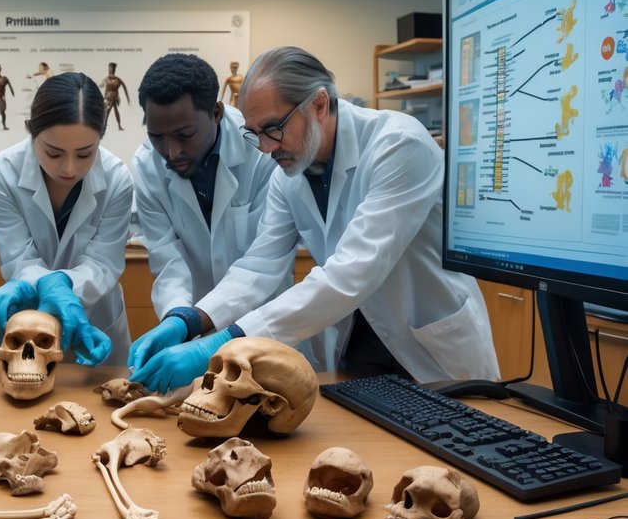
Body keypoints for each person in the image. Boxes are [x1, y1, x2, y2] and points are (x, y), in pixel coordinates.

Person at [130, 45, 500, 398]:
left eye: (273, 129)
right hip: (359, 349)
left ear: (319, 104)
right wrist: (190, 321)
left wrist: (224, 341)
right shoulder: (287, 174)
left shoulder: (398, 146)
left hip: (430, 350)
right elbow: (259, 265)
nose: (266, 147)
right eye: (254, 133)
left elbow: (351, 272)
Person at [127, 53, 282, 377]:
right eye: (157, 136)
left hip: (263, 328)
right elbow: (168, 258)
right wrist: (178, 318)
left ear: (215, 112)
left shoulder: (261, 151)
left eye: (185, 135)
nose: (171, 152)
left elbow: (264, 260)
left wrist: (196, 321)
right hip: (193, 330)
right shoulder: (146, 166)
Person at [0, 72, 129, 365]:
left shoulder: (117, 178)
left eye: (85, 154)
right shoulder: (2, 173)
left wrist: (61, 283)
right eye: (53, 152)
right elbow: (18, 258)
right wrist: (46, 284)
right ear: (31, 132)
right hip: (31, 328)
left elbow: (104, 262)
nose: (69, 169)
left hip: (95, 321)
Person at [99, 62, 130, 130]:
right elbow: (101, 85)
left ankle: (115, 126)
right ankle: (104, 127)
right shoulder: (106, 79)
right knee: (107, 112)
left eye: (112, 68)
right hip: (108, 98)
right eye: (110, 68)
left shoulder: (117, 80)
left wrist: (128, 100)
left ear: (114, 69)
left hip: (114, 98)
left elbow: (125, 89)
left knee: (110, 112)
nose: (110, 70)